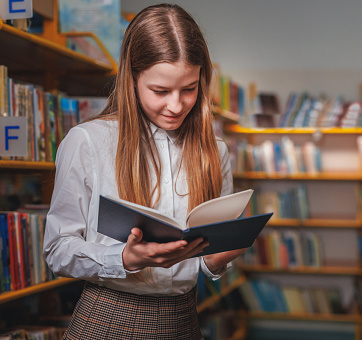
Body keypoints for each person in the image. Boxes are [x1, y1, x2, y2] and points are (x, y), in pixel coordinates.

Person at [43, 4, 244, 339]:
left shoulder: (215, 151)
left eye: (190, 89)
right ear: (132, 79)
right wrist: (123, 257)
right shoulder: (88, 141)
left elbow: (204, 260)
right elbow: (57, 250)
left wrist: (218, 258)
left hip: (184, 320)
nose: (176, 105)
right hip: (108, 319)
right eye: (160, 91)